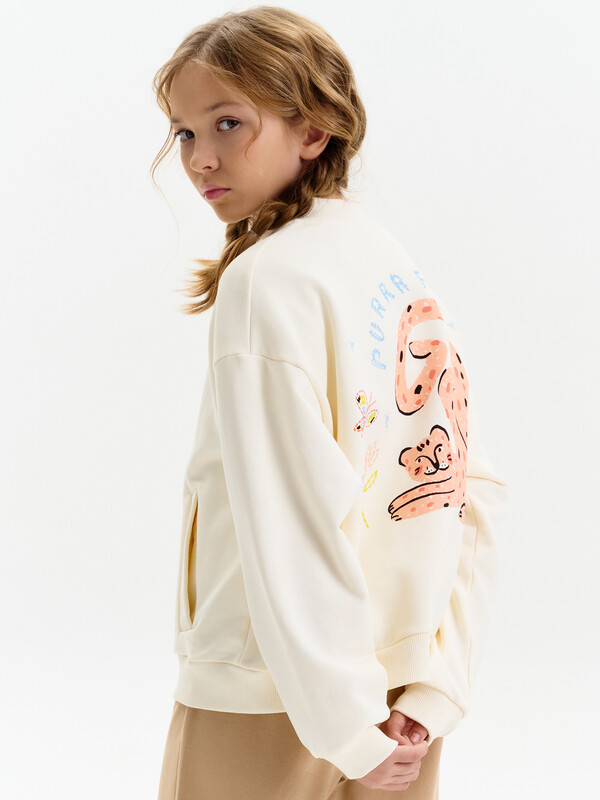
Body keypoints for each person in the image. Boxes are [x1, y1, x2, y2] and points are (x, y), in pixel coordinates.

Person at [150, 6, 508, 799]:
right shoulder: (392, 264)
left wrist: (347, 726)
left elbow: (288, 520)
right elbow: (465, 488)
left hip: (274, 697)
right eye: (183, 132)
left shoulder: (265, 281)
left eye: (228, 123)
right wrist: (434, 685)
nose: (200, 158)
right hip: (398, 705)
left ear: (313, 129)